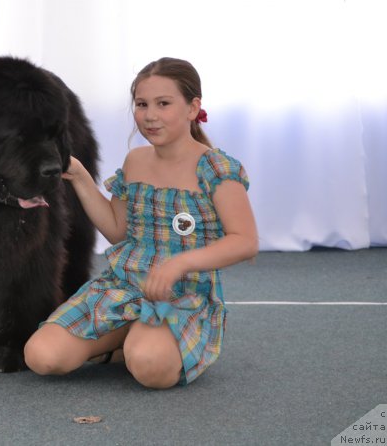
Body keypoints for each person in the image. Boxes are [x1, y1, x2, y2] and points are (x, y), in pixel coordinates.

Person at [24, 57, 258, 388]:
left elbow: (245, 241)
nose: (150, 115)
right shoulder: (135, 161)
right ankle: (124, 338)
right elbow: (118, 231)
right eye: (142, 104)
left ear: (193, 108)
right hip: (123, 286)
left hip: (181, 296)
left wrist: (179, 264)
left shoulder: (216, 169)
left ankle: (153, 343)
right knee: (41, 356)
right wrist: (79, 177)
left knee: (150, 369)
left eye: (164, 104)